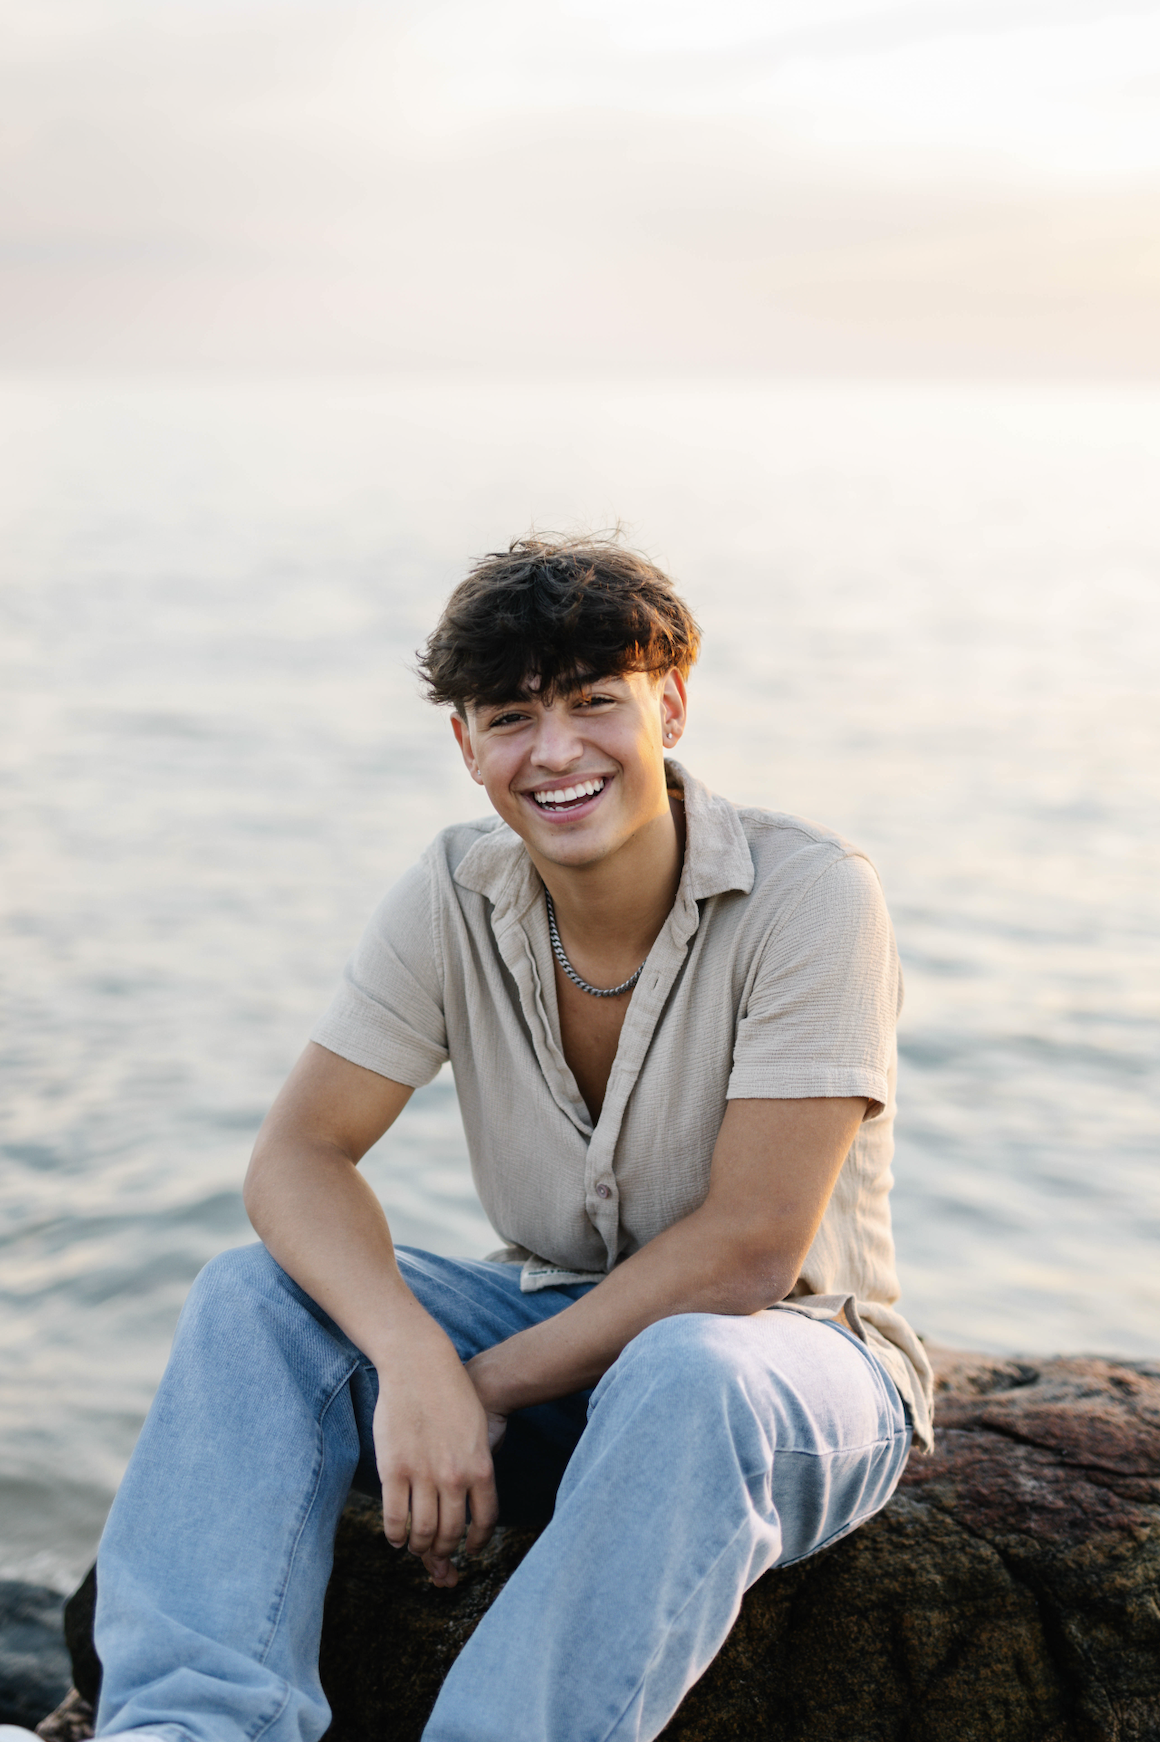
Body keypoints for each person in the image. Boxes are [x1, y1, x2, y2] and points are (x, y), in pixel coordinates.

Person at [6, 535, 933, 1742]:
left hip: (787, 1366)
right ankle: (188, 1726)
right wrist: (410, 1356)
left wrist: (466, 1388)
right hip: (558, 1326)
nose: (555, 751)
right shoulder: (452, 893)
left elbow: (747, 1249)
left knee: (687, 1365)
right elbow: (297, 1157)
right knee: (250, 1298)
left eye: (595, 701)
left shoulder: (810, 894)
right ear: (466, 745)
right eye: (509, 716)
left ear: (672, 703)